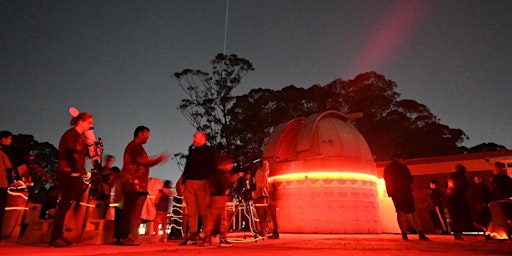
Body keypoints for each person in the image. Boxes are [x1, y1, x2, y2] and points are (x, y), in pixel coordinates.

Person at [117, 126, 169, 246]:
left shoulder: (139, 148)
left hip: (139, 185)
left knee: (135, 213)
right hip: (133, 184)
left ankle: (131, 236)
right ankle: (124, 236)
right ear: (139, 134)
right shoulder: (134, 146)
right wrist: (158, 159)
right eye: (146, 135)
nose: (148, 137)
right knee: (130, 211)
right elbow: (143, 162)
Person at [49, 112, 94, 247]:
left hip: (75, 174)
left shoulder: (78, 137)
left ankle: (59, 236)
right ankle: (56, 237)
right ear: (80, 122)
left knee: (67, 205)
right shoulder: (71, 135)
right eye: (89, 122)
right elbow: (71, 154)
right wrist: (75, 170)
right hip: (69, 174)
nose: (91, 125)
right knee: (64, 205)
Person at [180, 131, 217, 245]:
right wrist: (183, 181)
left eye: (196, 137)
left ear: (203, 138)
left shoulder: (210, 151)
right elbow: (187, 166)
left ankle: (207, 234)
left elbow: (213, 167)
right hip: (190, 182)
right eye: (193, 137)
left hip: (203, 182)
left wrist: (211, 183)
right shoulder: (192, 150)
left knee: (204, 210)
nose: (193, 139)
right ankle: (192, 234)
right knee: (191, 210)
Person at [383, 152, 429, 241]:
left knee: (400, 212)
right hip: (405, 192)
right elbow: (410, 179)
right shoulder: (403, 167)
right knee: (412, 212)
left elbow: (387, 181)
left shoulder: (387, 168)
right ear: (400, 159)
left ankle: (404, 233)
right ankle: (420, 233)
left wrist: (391, 192)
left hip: (395, 194)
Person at [202, 154, 241, 247]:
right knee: (224, 220)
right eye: (230, 164)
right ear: (225, 163)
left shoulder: (212, 173)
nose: (231, 166)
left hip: (212, 198)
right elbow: (229, 182)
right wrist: (237, 176)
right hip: (221, 198)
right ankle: (223, 239)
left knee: (211, 220)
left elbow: (207, 186)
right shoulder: (224, 173)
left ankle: (206, 239)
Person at [485, 162, 512, 239]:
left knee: (502, 218)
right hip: (501, 201)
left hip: (501, 201)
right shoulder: (498, 179)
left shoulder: (501, 179)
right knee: (504, 217)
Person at [445, 164, 471, 240]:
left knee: (454, 217)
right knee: (460, 216)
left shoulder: (450, 177)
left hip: (450, 199)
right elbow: (465, 187)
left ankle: (456, 233)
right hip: (458, 198)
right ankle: (459, 232)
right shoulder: (462, 177)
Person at [0, 131, 14, 241]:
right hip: (2, 185)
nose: (11, 141)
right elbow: (9, 169)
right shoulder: (3, 153)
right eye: (9, 138)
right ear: (2, 139)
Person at [253, 160, 270, 238]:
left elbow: (262, 182)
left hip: (261, 194)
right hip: (259, 194)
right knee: (261, 214)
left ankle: (263, 230)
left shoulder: (262, 171)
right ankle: (263, 229)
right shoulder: (259, 171)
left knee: (262, 214)